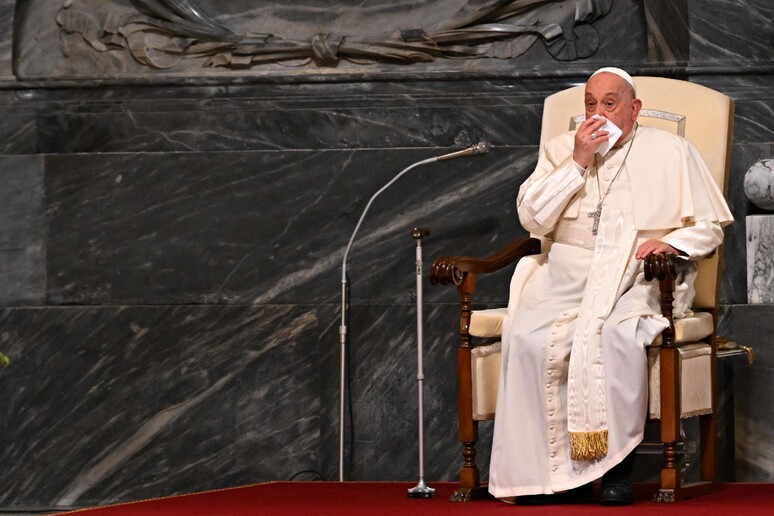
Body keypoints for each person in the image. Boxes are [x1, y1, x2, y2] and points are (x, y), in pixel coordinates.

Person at [488, 67, 733, 506]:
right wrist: (578, 162)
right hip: (564, 277)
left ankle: (615, 471)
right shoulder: (562, 149)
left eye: (609, 103)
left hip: (640, 276)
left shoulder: (673, 150)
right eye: (590, 104)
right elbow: (534, 220)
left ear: (634, 108)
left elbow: (710, 230)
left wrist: (671, 242)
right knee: (526, 337)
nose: (596, 113)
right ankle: (556, 478)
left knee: (615, 335)